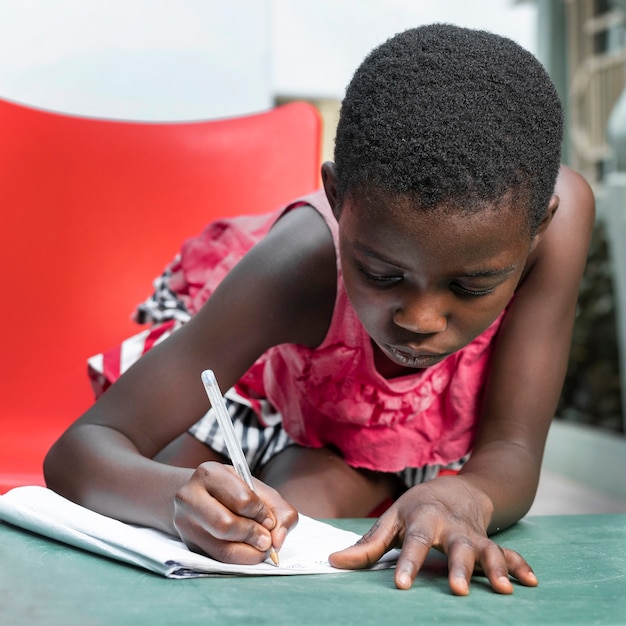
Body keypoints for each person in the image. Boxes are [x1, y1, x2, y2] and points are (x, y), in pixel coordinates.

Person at [44, 23, 594, 596]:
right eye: (382, 274)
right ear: (336, 201)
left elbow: (513, 447)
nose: (420, 320)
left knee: (306, 541)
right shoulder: (299, 263)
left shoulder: (558, 224)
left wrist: (465, 493)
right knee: (207, 517)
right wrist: (171, 499)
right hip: (258, 388)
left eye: (472, 287)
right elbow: (82, 452)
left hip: (366, 432)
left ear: (538, 229)